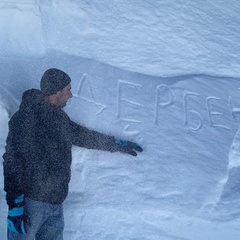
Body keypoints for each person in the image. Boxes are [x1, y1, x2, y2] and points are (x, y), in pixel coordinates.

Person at [3, 68, 143, 240]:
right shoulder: (25, 119)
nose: (71, 95)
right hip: (31, 204)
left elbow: (84, 136)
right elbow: (12, 160)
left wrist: (116, 144)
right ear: (57, 91)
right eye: (68, 89)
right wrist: (15, 203)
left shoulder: (59, 119)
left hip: (55, 205)